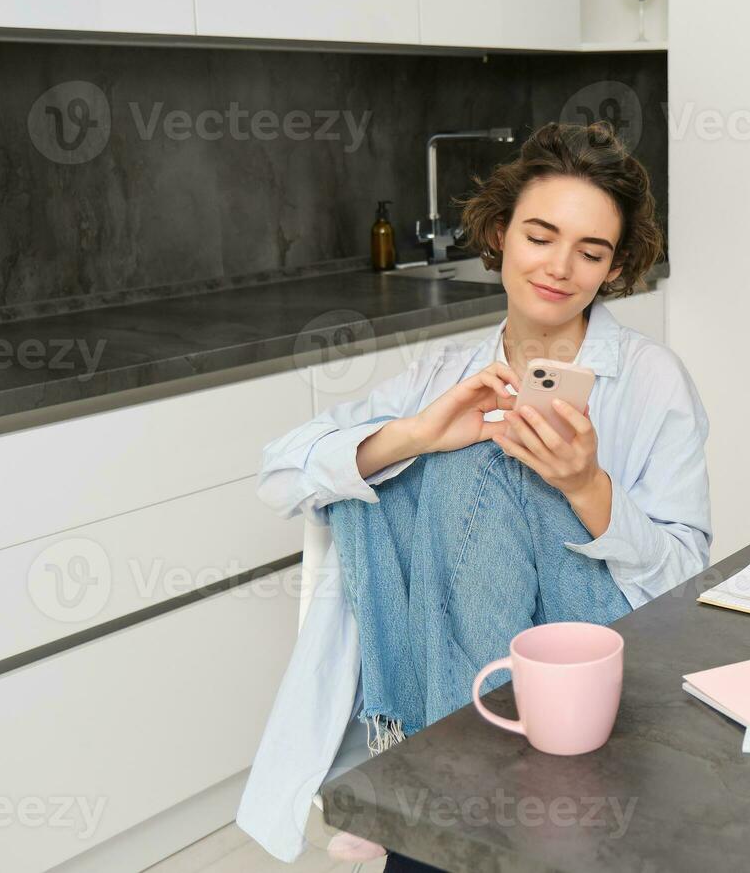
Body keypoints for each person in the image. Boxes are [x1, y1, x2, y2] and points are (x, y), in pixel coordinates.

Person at [237, 121, 712, 870]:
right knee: (443, 455)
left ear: (613, 267)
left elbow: (687, 577)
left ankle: (436, 781)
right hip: (466, 681)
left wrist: (587, 487)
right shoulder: (445, 375)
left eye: (590, 252)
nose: (560, 267)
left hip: (595, 665)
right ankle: (453, 779)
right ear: (500, 233)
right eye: (540, 236)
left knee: (487, 465)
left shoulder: (654, 383)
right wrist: (418, 434)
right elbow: (278, 472)